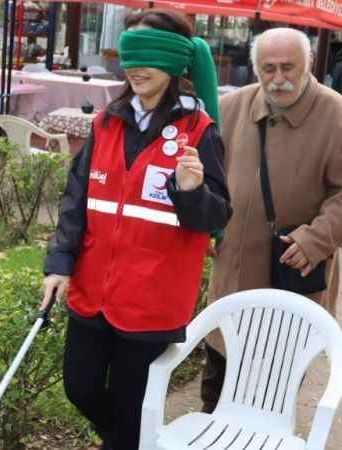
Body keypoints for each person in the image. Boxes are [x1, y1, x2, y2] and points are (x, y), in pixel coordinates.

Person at [39, 9, 232, 449]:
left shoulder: (199, 131)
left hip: (151, 302)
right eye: (130, 56)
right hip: (94, 293)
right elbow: (76, 200)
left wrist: (191, 191)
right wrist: (60, 263)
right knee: (80, 388)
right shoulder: (108, 121)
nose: (136, 67)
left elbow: (218, 216)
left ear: (177, 60)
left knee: (130, 407)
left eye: (148, 56)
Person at [200, 27, 342, 413]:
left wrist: (314, 240)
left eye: (288, 68)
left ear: (309, 64)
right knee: (217, 388)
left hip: (292, 274)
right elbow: (212, 179)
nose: (278, 79)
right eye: (268, 68)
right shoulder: (229, 109)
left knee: (269, 397)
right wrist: (206, 225)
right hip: (234, 272)